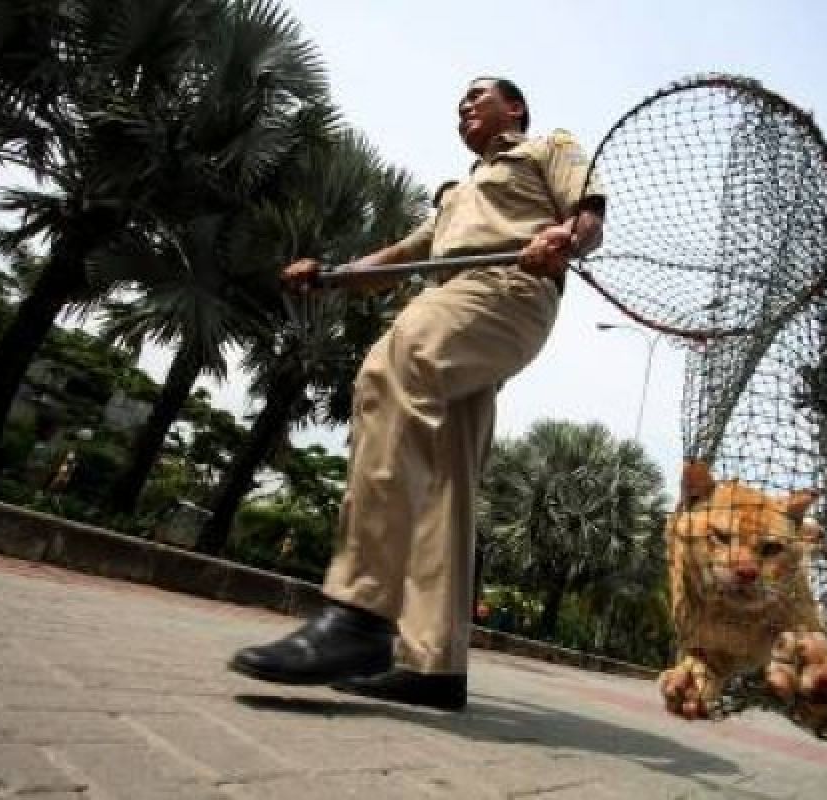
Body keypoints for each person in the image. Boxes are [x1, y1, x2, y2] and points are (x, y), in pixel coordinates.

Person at [229, 77, 605, 711]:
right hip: (450, 294)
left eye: (478, 93)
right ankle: (434, 664)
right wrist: (332, 277)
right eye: (459, 97)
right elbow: (402, 255)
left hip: (507, 291)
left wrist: (564, 238)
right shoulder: (456, 194)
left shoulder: (549, 148)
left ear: (514, 107)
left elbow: (589, 217)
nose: (464, 103)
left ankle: (359, 612)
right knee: (445, 478)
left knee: (392, 370)